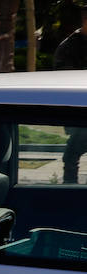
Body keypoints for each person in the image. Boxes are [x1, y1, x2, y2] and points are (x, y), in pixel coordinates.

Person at [53, 10, 87, 183]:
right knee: (72, 155)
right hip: (80, 112)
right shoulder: (69, 47)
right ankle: (70, 190)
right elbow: (65, 82)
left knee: (72, 154)